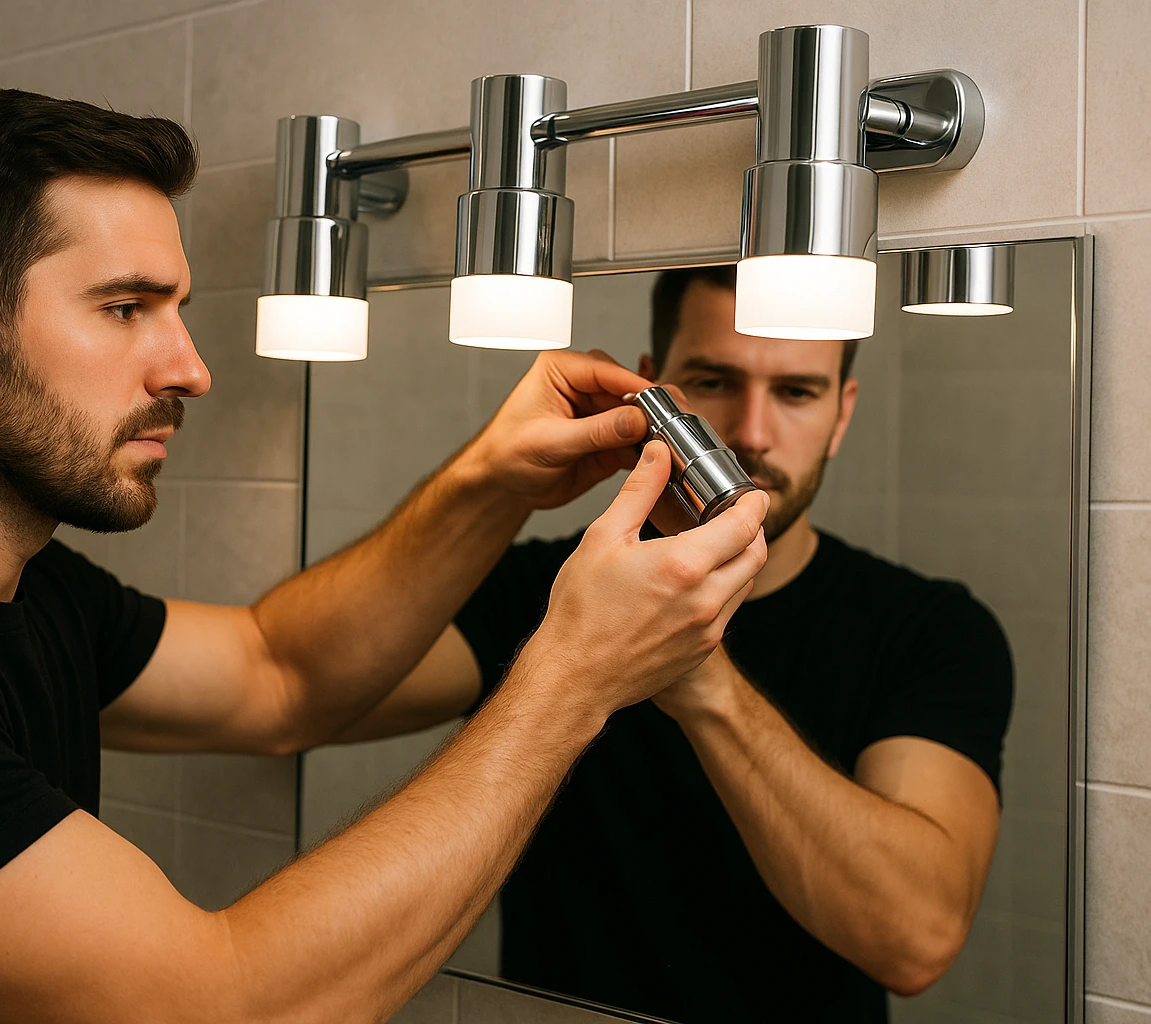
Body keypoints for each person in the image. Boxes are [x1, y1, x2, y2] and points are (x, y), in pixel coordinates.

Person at [0, 87, 769, 1022]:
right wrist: (573, 676)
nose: (189, 365)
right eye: (126, 308)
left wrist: (489, 483)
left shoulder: (19, 588)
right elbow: (218, 1009)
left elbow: (282, 675)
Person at [343, 266, 1015, 1023]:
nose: (754, 433)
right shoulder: (546, 590)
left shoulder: (928, 630)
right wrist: (491, 482)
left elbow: (914, 939)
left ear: (841, 412)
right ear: (654, 393)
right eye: (716, 381)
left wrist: (698, 675)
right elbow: (311, 697)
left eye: (797, 392)